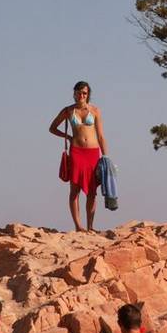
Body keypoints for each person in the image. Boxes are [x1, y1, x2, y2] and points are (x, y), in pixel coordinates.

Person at [49, 81, 109, 232]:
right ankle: (78, 226)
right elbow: (52, 128)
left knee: (92, 191)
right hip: (77, 152)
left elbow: (101, 136)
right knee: (74, 190)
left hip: (93, 153)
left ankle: (90, 226)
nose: (81, 95)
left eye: (84, 93)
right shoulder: (68, 111)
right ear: (74, 93)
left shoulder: (95, 110)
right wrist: (68, 137)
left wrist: (106, 156)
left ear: (88, 94)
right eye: (79, 92)